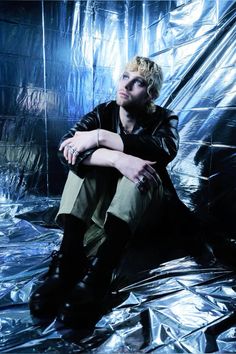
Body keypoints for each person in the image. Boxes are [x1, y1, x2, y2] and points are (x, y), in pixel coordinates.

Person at [29, 55, 179, 327]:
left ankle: (101, 271)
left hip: (144, 212)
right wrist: (115, 158)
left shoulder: (164, 118)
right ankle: (68, 261)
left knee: (142, 172)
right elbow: (67, 148)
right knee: (84, 165)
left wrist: (100, 137)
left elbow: (165, 150)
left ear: (151, 94)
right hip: (103, 210)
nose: (127, 85)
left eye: (139, 82)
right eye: (125, 77)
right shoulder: (103, 112)